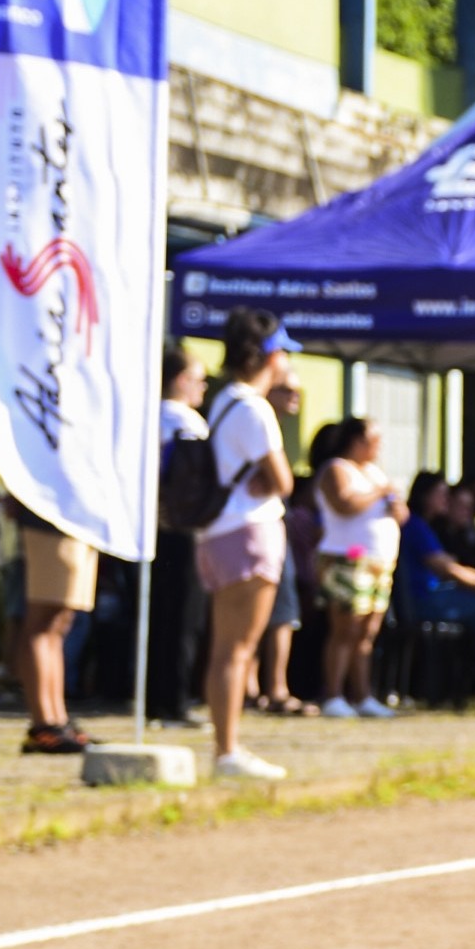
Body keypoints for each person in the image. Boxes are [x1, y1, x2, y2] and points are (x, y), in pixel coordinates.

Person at [196, 308, 296, 779]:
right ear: (270, 355)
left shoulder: (222, 400)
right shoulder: (255, 408)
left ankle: (226, 747)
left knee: (226, 648)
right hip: (249, 533)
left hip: (218, 533)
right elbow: (282, 479)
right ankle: (228, 750)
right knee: (238, 648)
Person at [314, 417, 407, 718]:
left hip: (380, 561)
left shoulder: (374, 473)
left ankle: (363, 695)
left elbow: (401, 514)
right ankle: (333, 694)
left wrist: (396, 508)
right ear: (355, 441)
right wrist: (380, 493)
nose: (378, 447)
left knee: (367, 632)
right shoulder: (336, 469)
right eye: (373, 440)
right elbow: (344, 504)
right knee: (345, 628)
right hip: (347, 558)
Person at [398, 471, 475, 704]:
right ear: (424, 496)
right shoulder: (415, 526)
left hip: (438, 596)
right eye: (441, 494)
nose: (446, 500)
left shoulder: (430, 527)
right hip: (423, 599)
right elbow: (448, 570)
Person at [246, 369, 316, 718]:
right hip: (259, 525)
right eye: (287, 389)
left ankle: (267, 686)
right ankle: (267, 688)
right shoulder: (256, 418)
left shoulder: (270, 422)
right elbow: (282, 482)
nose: (295, 397)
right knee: (266, 610)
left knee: (278, 609)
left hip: (271, 523)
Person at [148, 344, 210, 727]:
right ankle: (176, 702)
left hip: (151, 529)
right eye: (201, 381)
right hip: (185, 530)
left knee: (157, 616)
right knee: (185, 620)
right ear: (182, 380)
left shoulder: (147, 418)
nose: (203, 390)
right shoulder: (188, 422)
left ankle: (155, 700)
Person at [13, 501, 101, 754]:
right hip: (52, 517)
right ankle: (44, 724)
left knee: (61, 622)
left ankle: (58, 719)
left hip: (80, 520)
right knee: (42, 623)